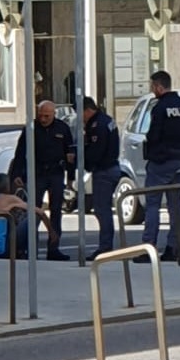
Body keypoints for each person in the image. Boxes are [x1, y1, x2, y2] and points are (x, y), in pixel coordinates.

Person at [135, 71, 180, 263]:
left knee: (152, 205)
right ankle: (173, 247)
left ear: (159, 87)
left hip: (160, 161)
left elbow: (153, 136)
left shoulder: (160, 108)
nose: (152, 90)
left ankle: (148, 248)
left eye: (152, 87)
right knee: (175, 206)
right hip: (179, 159)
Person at [10, 100, 72, 261]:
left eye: (47, 116)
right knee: (33, 211)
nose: (43, 119)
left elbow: (70, 153)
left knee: (56, 211)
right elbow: (20, 152)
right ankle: (30, 248)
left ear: (54, 114)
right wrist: (17, 174)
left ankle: (54, 249)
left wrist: (71, 177)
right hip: (37, 174)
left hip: (56, 173)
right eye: (41, 115)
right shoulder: (31, 128)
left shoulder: (62, 128)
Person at [0, 174, 65, 260]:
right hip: (2, 251)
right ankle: (32, 256)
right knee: (34, 216)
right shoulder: (9, 199)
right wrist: (52, 232)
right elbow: (40, 212)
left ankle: (20, 253)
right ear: (7, 186)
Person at [80, 96, 122, 261]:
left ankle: (105, 247)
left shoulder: (97, 125)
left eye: (80, 113)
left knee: (102, 209)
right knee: (103, 209)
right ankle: (105, 245)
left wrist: (83, 161)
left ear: (87, 110)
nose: (81, 118)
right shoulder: (107, 119)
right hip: (112, 167)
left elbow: (96, 151)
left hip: (104, 170)